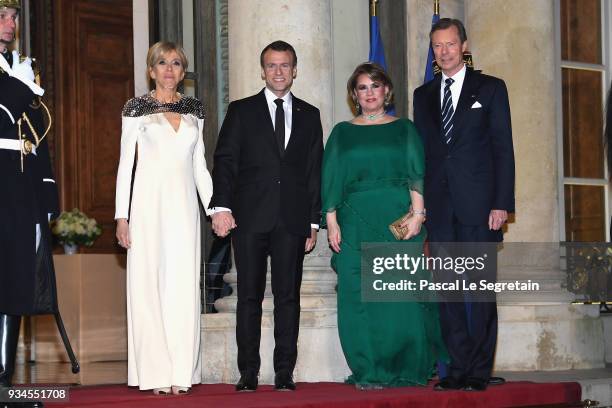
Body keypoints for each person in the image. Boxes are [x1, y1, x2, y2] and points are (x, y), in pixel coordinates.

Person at [321, 62, 448, 389]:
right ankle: (369, 369)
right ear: (355, 94)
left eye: (375, 86)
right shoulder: (342, 133)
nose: (369, 93)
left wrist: (418, 215)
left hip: (398, 221)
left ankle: (408, 367)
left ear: (386, 91)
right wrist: (331, 221)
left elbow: (415, 172)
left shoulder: (404, 128)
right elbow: (331, 178)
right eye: (362, 87)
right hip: (355, 222)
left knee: (399, 296)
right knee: (359, 298)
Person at [210, 40, 323, 392]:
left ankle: (285, 371)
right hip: (249, 218)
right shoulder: (241, 110)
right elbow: (225, 161)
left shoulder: (310, 114)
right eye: (272, 65)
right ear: (263, 70)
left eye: (285, 65)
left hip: (292, 220)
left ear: (294, 70)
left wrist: (313, 220)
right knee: (248, 297)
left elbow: (313, 171)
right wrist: (222, 207)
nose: (278, 71)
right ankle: (248, 372)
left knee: (288, 298)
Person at [413, 18, 515, 392]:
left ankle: (479, 370)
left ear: (464, 46)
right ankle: (455, 369)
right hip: (440, 209)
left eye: (450, 44)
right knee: (448, 293)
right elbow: (423, 154)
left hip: (480, 207)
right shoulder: (421, 95)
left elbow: (504, 149)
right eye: (437, 46)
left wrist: (502, 203)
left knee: (480, 291)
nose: (444, 52)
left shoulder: (490, 89)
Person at [115, 42, 213, 396]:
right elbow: (126, 164)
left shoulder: (194, 110)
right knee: (148, 287)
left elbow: (200, 166)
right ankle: (154, 373)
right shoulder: (136, 108)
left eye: (176, 63)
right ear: (151, 70)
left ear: (182, 72)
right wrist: (121, 216)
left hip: (185, 208)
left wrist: (215, 209)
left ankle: (180, 373)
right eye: (162, 63)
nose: (169, 69)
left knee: (183, 287)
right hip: (146, 207)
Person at [0, 0, 60, 401]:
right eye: (1, 16)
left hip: (22, 189)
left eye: (13, 17)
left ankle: (4, 382)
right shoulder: (19, 77)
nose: (9, 24)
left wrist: (48, 191)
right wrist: (21, 86)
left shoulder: (20, 67)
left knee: (17, 281)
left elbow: (35, 135)